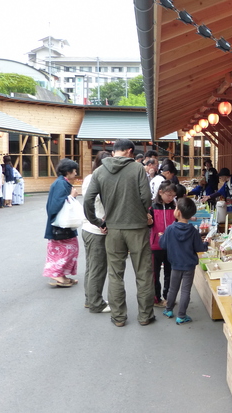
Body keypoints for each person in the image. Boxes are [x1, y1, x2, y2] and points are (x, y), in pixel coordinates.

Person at [84, 139, 155, 327]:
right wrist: (142, 213)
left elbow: (88, 200)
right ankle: (145, 315)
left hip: (113, 229)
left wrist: (96, 221)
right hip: (137, 228)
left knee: (115, 274)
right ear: (130, 151)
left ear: (114, 151)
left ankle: (119, 317)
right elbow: (146, 197)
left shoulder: (99, 172)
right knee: (143, 273)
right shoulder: (138, 169)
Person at [160, 197, 208, 325]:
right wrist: (206, 244)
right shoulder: (193, 231)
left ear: (178, 212)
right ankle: (181, 316)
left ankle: (168, 310)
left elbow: (163, 244)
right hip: (189, 266)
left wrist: (162, 236)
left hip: (175, 264)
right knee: (186, 291)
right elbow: (199, 247)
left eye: (175, 208)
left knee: (172, 288)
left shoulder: (170, 229)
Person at [81, 151, 112, 313]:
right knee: (98, 268)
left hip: (88, 228)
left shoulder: (89, 178)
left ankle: (90, 298)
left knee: (91, 267)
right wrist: (99, 221)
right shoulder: (98, 179)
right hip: (96, 230)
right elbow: (92, 203)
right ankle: (96, 303)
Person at [43, 159, 80, 287]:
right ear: (68, 172)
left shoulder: (61, 182)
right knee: (67, 250)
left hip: (61, 226)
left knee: (69, 249)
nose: (75, 174)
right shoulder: (60, 184)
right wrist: (71, 197)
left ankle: (61, 274)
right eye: (74, 171)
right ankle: (57, 275)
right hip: (60, 226)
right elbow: (55, 205)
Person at [149, 181, 176, 308]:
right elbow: (148, 224)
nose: (171, 198)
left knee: (169, 273)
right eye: (168, 195)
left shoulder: (174, 206)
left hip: (170, 245)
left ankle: (168, 297)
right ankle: (156, 298)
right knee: (154, 273)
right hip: (155, 245)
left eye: (173, 195)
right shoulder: (152, 207)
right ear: (160, 192)